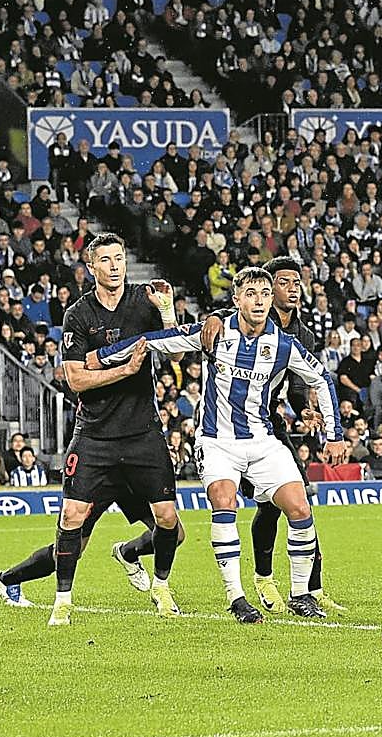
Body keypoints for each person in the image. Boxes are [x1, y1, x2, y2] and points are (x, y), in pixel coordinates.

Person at [92, 267, 349, 622]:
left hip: (262, 440)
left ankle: (301, 594)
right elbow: (155, 340)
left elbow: (322, 378)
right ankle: (237, 597)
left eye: (263, 293)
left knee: (300, 509)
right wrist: (103, 356)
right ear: (237, 299)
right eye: (251, 293)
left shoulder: (284, 345)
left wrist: (334, 435)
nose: (258, 300)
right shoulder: (214, 333)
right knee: (224, 503)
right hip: (217, 441)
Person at [42, 233, 185, 626]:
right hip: (95, 434)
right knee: (72, 515)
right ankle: (63, 601)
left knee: (169, 519)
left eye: (119, 258)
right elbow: (74, 379)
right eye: (105, 260)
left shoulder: (145, 300)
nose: (115, 265)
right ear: (92, 267)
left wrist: (169, 312)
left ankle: (160, 585)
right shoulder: (78, 315)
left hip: (142, 431)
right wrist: (124, 370)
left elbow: (174, 352)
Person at [199, 256, 346, 618]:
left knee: (297, 503)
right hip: (226, 433)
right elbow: (228, 314)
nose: (292, 289)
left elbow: (304, 381)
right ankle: (261, 580)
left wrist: (309, 413)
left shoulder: (298, 336)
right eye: (284, 282)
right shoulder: (229, 323)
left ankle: (308, 589)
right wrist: (216, 315)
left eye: (297, 283)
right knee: (255, 506)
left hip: (270, 425)